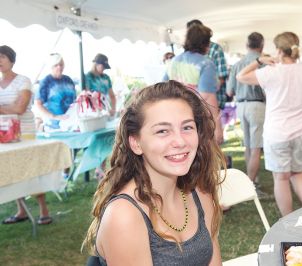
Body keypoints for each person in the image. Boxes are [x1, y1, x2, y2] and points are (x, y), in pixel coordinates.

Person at [82, 80, 225, 265]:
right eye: (163, 131)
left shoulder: (200, 194)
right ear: (136, 143)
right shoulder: (124, 216)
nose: (180, 141)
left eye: (187, 127)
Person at [236, 32, 302, 216]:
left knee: (281, 178)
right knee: (297, 172)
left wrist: (259, 61)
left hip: (278, 132)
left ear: (278, 50)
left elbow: (241, 77)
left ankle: (288, 219)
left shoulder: (270, 71)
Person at [0, 45, 52, 225]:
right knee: (13, 169)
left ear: (11, 60)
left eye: (2, 57)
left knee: (31, 169)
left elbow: (20, 108)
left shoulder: (24, 80)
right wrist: (9, 108)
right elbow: (13, 108)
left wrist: (4, 108)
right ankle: (21, 210)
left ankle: (44, 210)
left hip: (26, 132)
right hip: (5, 134)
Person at [164, 23, 223, 144]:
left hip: (172, 116)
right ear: (206, 43)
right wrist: (217, 127)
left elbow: (162, 88)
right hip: (195, 119)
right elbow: (208, 97)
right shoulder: (206, 64)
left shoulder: (173, 62)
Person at [226, 32, 266, 190]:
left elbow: (230, 91)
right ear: (261, 45)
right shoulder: (263, 63)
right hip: (257, 105)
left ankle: (252, 180)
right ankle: (250, 185)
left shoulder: (237, 64)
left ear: (246, 45)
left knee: (249, 145)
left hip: (241, 105)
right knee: (256, 147)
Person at [85, 53, 117, 179]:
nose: (103, 69)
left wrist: (113, 108)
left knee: (104, 139)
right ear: (96, 64)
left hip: (105, 111)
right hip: (92, 112)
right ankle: (98, 168)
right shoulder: (88, 77)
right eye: (102, 66)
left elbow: (112, 95)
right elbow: (86, 94)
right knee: (95, 140)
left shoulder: (106, 77)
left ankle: (101, 167)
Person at [186, 19, 229, 111]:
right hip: (193, 104)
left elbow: (221, 77)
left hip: (211, 102)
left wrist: (207, 93)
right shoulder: (185, 55)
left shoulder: (215, 49)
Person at [34, 53, 76, 130]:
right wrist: (54, 116)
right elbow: (38, 104)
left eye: (61, 64)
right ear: (51, 66)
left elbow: (74, 101)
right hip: (53, 126)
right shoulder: (46, 82)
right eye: (56, 65)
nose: (59, 67)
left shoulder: (68, 80)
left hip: (70, 124)